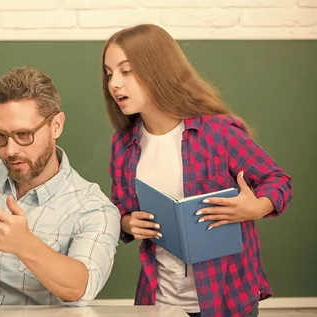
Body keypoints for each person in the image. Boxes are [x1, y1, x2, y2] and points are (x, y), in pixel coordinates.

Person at [102, 24, 293, 317]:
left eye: (126, 71)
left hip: (227, 300)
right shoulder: (123, 145)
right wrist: (127, 223)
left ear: (158, 70)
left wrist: (254, 207)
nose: (114, 83)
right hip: (159, 301)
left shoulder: (217, 133)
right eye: (109, 73)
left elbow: (277, 180)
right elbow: (118, 209)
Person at [0, 66, 121, 306]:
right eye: (1, 136)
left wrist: (24, 244)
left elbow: (80, 288)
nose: (10, 150)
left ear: (56, 126)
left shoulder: (94, 208)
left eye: (23, 135)